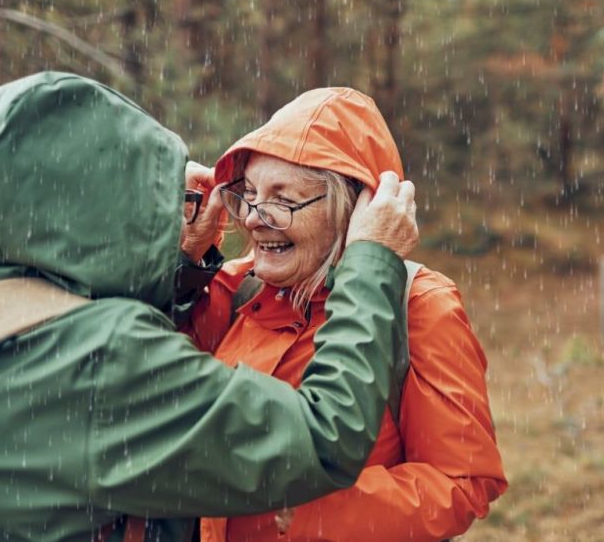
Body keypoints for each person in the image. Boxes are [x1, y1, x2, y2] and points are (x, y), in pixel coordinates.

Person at [0, 72, 419, 541]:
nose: (257, 216)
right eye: (155, 192)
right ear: (112, 202)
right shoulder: (105, 358)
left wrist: (178, 263)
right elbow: (326, 438)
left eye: (285, 199)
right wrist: (371, 262)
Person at [184, 88, 507, 542]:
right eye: (250, 194)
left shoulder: (418, 304)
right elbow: (144, 376)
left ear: (354, 211)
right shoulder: (234, 285)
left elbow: (462, 482)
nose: (254, 218)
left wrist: (310, 508)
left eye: (283, 199)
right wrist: (184, 259)